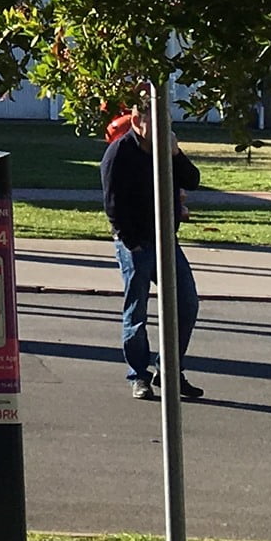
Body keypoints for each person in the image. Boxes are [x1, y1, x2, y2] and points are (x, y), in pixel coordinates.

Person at [100, 104, 205, 402]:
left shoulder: (165, 151)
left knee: (187, 303)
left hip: (166, 242)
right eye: (155, 124)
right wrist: (131, 242)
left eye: (166, 124)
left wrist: (175, 153)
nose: (162, 131)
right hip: (136, 244)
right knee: (137, 312)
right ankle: (139, 376)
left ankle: (169, 371)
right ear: (137, 121)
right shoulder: (119, 153)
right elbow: (113, 204)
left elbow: (193, 181)